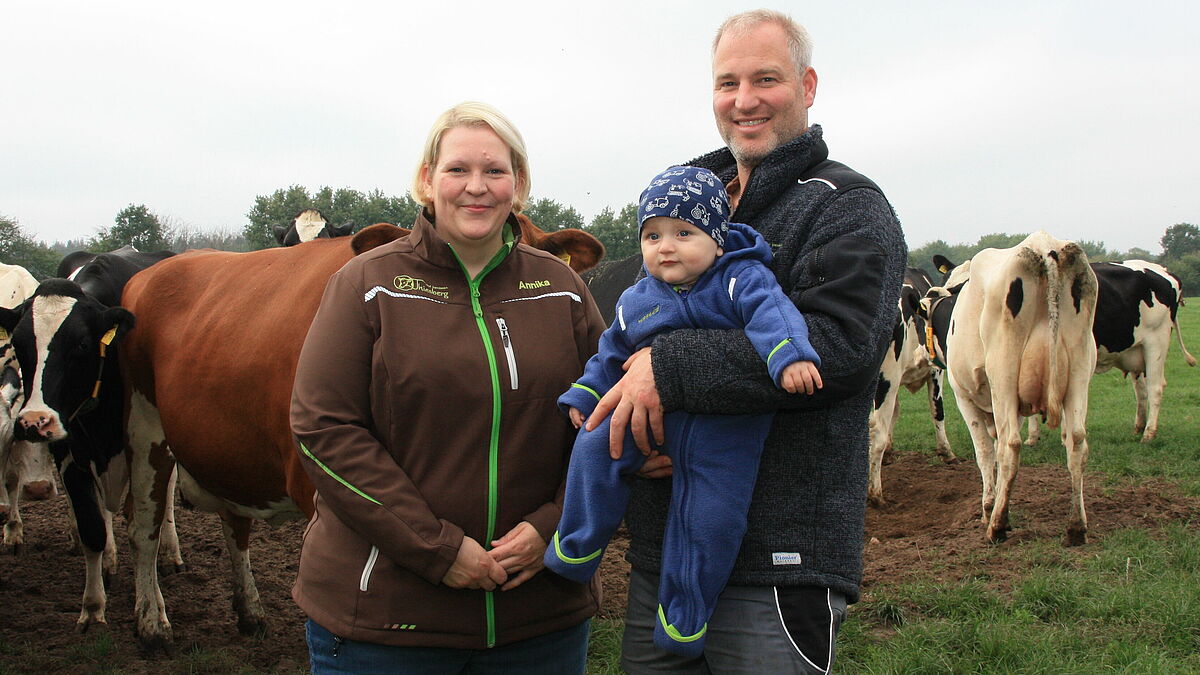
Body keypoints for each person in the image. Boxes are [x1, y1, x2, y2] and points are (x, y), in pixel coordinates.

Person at [591, 10, 907, 673]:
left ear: (807, 84)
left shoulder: (845, 205)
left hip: (777, 563)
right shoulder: (684, 206)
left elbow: (838, 349)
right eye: (727, 82)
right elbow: (638, 323)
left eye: (766, 78)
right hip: (661, 551)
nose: (744, 100)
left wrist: (666, 368)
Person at [290, 101, 606, 674]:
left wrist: (551, 527)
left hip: (538, 621)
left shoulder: (560, 289)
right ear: (426, 180)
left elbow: (605, 420)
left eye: (495, 171)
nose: (476, 188)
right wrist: (438, 548)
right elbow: (322, 429)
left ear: (520, 184)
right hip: (385, 626)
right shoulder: (366, 284)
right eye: (458, 169)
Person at [544, 164, 823, 658]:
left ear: (717, 239)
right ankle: (577, 545)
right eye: (652, 235)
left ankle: (684, 619)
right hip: (649, 423)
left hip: (727, 433)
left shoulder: (741, 277)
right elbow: (610, 352)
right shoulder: (637, 299)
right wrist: (586, 395)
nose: (665, 246)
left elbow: (773, 314)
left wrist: (789, 355)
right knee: (592, 444)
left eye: (683, 232)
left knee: (710, 521)